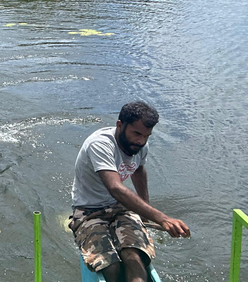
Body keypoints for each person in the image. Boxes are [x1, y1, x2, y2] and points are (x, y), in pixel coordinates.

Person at [69, 101, 190, 282]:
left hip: (120, 208)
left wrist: (145, 210)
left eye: (147, 136)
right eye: (137, 134)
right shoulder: (100, 144)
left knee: (133, 257)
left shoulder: (140, 147)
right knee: (111, 266)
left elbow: (139, 170)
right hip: (89, 211)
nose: (141, 141)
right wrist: (163, 218)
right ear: (120, 125)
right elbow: (115, 188)